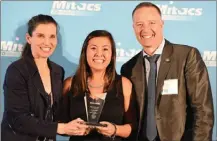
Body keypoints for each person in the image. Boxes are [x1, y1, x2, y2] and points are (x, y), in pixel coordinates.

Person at [121, 2, 214, 141]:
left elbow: (203, 112)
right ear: (133, 28)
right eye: (139, 24)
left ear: (161, 24)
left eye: (151, 22)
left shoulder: (187, 56)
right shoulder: (129, 68)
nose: (145, 29)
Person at [1, 14, 89, 141]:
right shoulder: (17, 70)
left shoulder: (58, 71)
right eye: (41, 36)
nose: (47, 42)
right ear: (29, 38)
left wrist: (78, 123)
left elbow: (55, 115)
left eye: (52, 36)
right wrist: (62, 128)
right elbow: (18, 119)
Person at [60, 30, 137, 141]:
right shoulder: (70, 84)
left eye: (105, 49)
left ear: (112, 54)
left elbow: (133, 127)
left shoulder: (124, 84)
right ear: (85, 52)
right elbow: (60, 125)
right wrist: (72, 128)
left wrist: (115, 130)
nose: (99, 54)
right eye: (93, 48)